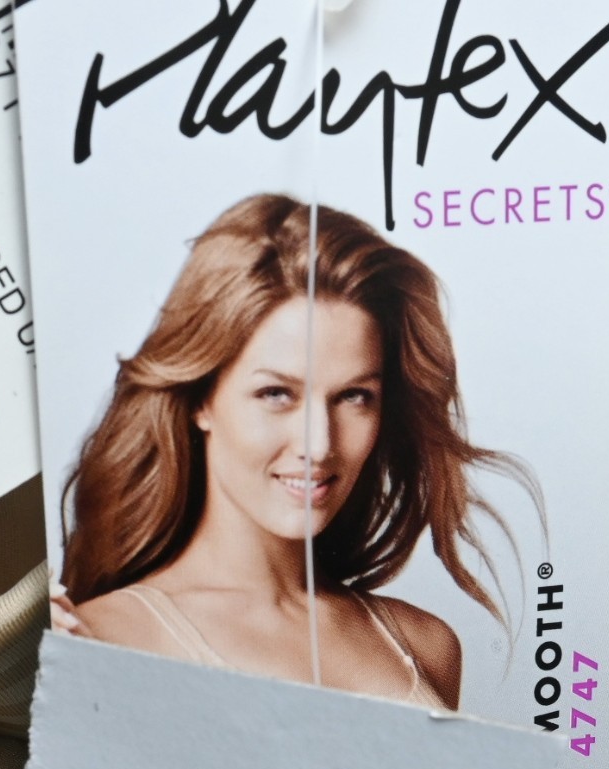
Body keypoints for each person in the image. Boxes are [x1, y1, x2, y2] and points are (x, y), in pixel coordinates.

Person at [50, 193, 540, 711]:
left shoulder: (425, 647)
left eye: (354, 397)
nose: (320, 444)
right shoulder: (100, 641)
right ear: (201, 400)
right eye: (276, 394)